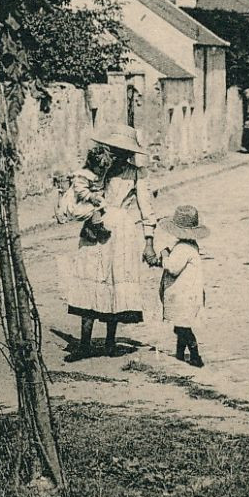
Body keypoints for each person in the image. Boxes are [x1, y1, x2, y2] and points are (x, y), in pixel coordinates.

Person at [58, 124, 156, 359]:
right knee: (89, 276)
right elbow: (80, 189)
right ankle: (84, 344)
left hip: (121, 230)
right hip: (96, 223)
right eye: (115, 150)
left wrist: (149, 241)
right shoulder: (97, 168)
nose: (118, 155)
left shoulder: (137, 174)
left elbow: (147, 208)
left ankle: (110, 342)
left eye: (123, 151)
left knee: (113, 280)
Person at [154, 204, 208, 367]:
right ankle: (180, 353)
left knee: (183, 327)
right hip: (188, 293)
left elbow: (173, 267)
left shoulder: (182, 248)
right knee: (180, 325)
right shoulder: (191, 246)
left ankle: (195, 355)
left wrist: (164, 254)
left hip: (183, 295)